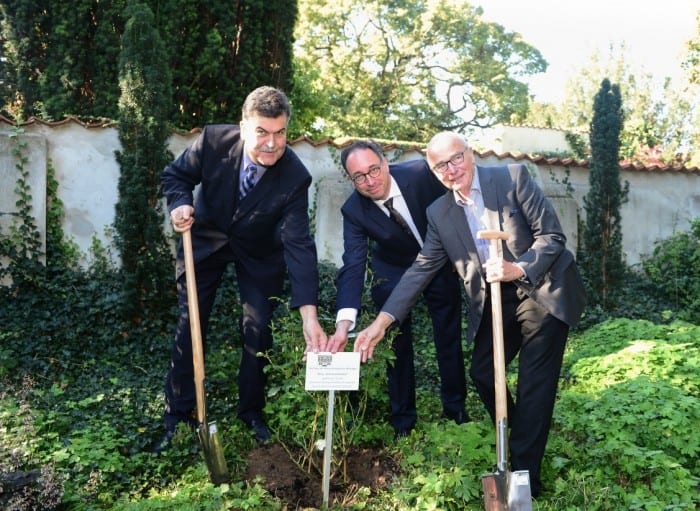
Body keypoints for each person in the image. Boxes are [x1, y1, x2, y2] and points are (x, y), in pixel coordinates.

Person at [352, 132, 586, 496]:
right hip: (495, 297)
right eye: (440, 165)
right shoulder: (439, 213)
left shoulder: (512, 177)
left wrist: (518, 268)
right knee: (481, 373)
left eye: (456, 158)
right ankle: (524, 428)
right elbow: (420, 269)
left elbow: (552, 237)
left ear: (471, 154)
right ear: (433, 171)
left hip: (541, 288)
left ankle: (524, 478)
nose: (451, 169)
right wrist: (382, 322)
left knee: (533, 384)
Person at [156, 86, 327, 450]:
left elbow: (298, 244)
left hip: (259, 252)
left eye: (280, 133)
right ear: (244, 126)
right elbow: (176, 175)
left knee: (259, 329)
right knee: (191, 324)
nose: (272, 143)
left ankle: (250, 411)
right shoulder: (214, 140)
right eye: (262, 132)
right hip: (204, 242)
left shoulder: (295, 176)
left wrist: (308, 313)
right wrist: (180, 204)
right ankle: (178, 414)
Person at [325, 140, 467, 439]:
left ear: (385, 163)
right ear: (351, 180)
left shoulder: (420, 174)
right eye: (359, 177)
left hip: (438, 262)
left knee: (448, 336)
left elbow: (457, 207)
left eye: (373, 170)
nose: (369, 180)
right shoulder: (353, 210)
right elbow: (353, 264)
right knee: (395, 344)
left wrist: (459, 255)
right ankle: (403, 420)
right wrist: (344, 322)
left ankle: (455, 409)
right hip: (392, 272)